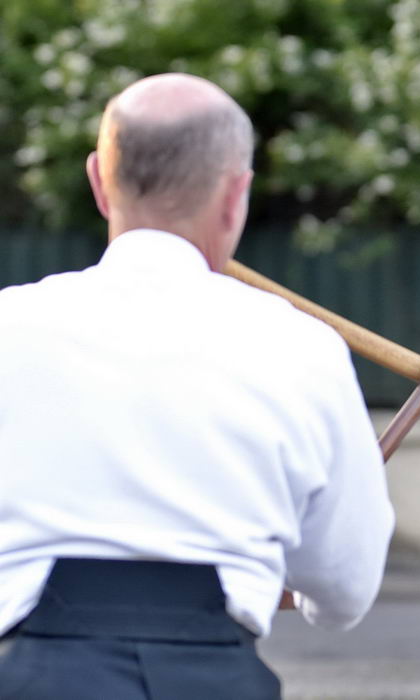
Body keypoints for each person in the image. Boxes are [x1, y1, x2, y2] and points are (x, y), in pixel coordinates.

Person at [0, 73, 394, 699]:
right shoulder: (302, 346)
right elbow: (345, 584)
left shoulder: (7, 326)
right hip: (214, 676)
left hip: (33, 675)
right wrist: (284, 584)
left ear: (100, 181)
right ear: (236, 195)